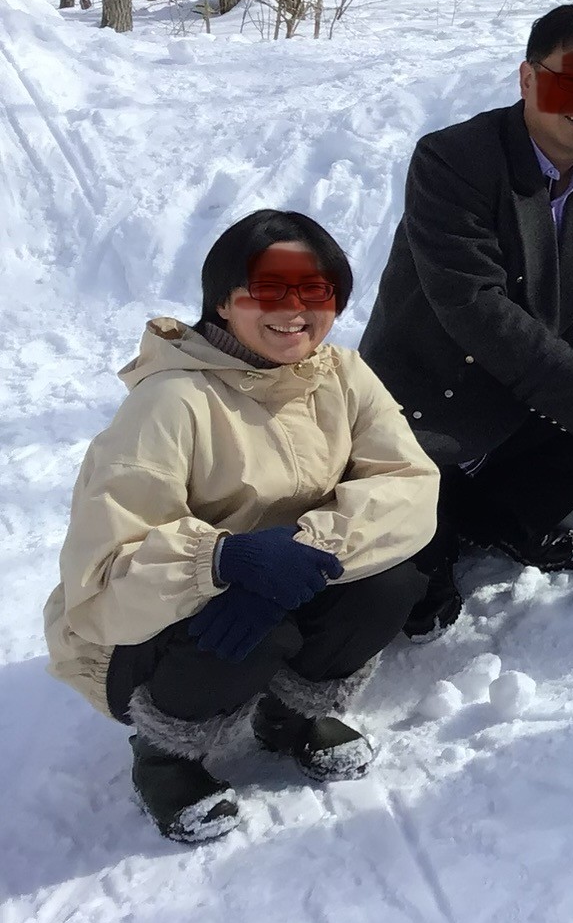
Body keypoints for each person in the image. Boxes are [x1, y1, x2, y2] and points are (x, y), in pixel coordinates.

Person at [48, 212, 438, 843]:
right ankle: (165, 754)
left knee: (389, 585)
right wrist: (221, 562)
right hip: (148, 629)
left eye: (315, 291)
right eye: (267, 291)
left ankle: (290, 716)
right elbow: (100, 584)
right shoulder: (170, 402)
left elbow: (409, 485)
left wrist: (303, 547)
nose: (294, 310)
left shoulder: (341, 375)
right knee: (259, 631)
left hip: (283, 575)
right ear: (224, 303)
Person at [362, 0, 573, 639]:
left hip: (524, 377)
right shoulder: (454, 160)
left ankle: (503, 514)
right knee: (406, 600)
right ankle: (438, 511)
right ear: (528, 79)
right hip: (433, 385)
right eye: (570, 82)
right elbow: (471, 303)